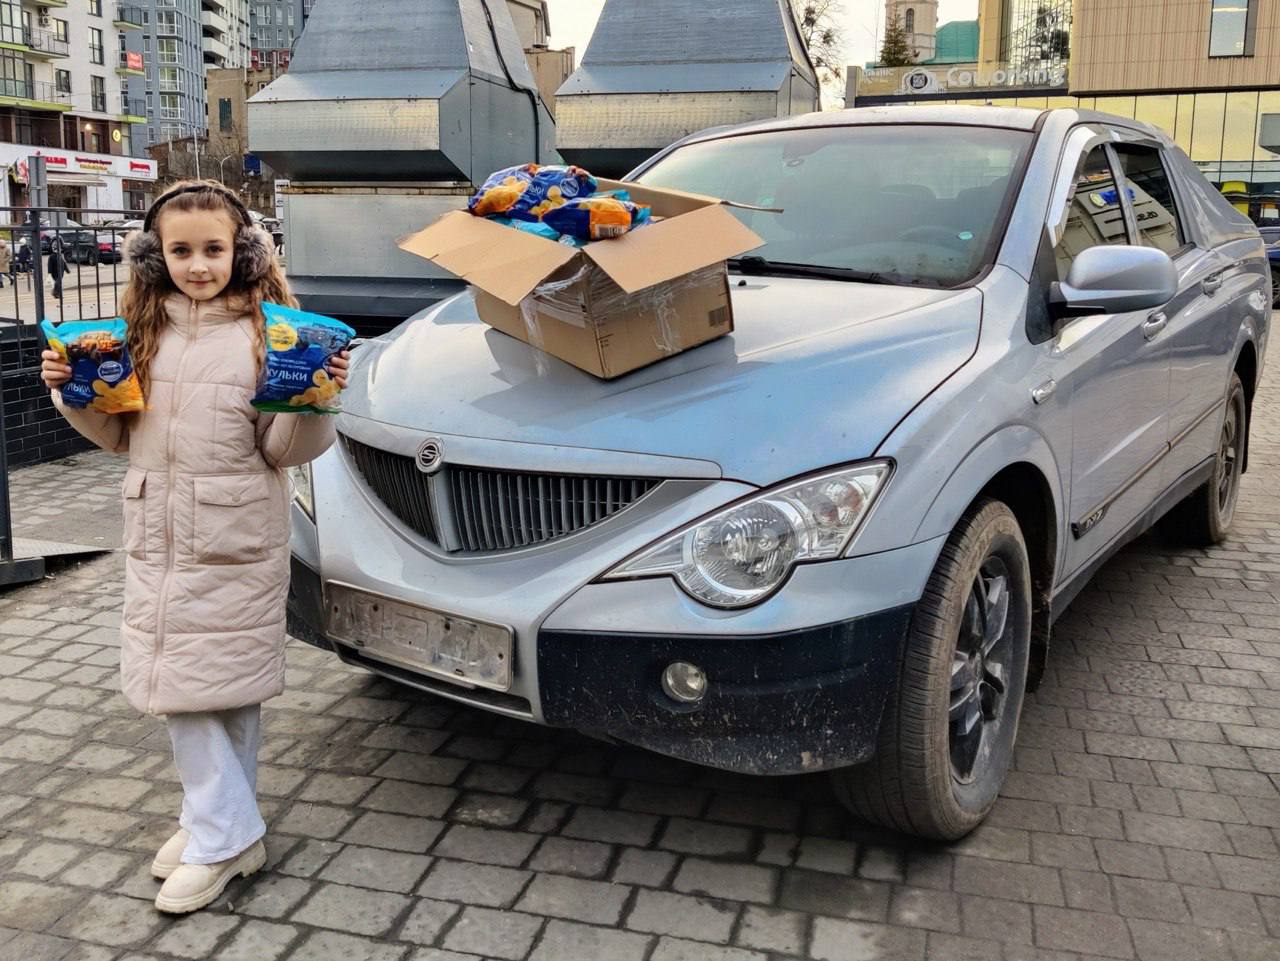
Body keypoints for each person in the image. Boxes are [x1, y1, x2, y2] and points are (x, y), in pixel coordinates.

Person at [39, 180, 350, 915]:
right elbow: (119, 438)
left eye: (214, 248)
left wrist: (316, 399)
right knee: (200, 689)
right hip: (159, 537)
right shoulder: (143, 333)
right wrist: (70, 391)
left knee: (210, 689)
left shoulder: (268, 334)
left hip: (235, 538)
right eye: (181, 251)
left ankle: (220, 836)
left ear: (244, 252)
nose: (199, 265)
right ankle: (219, 823)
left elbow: (282, 452)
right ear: (157, 257)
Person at [47, 235, 65, 300]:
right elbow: (49, 264)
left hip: (60, 271)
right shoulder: (52, 256)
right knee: (58, 282)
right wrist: (49, 272)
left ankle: (58, 294)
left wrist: (67, 269)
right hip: (55, 271)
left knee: (59, 283)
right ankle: (55, 292)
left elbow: (63, 262)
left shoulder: (60, 255)